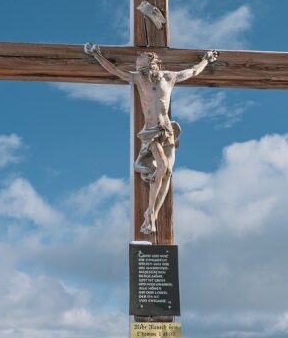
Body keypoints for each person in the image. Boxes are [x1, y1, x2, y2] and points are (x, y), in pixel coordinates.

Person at [85, 43, 219, 234]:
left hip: (167, 131)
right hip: (151, 132)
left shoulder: (169, 77)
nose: (138, 63)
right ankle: (149, 215)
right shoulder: (139, 79)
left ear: (153, 61)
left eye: (141, 60)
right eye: (138, 61)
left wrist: (206, 60)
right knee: (162, 166)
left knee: (167, 173)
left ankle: (152, 214)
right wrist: (97, 55)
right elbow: (115, 71)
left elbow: (193, 71)